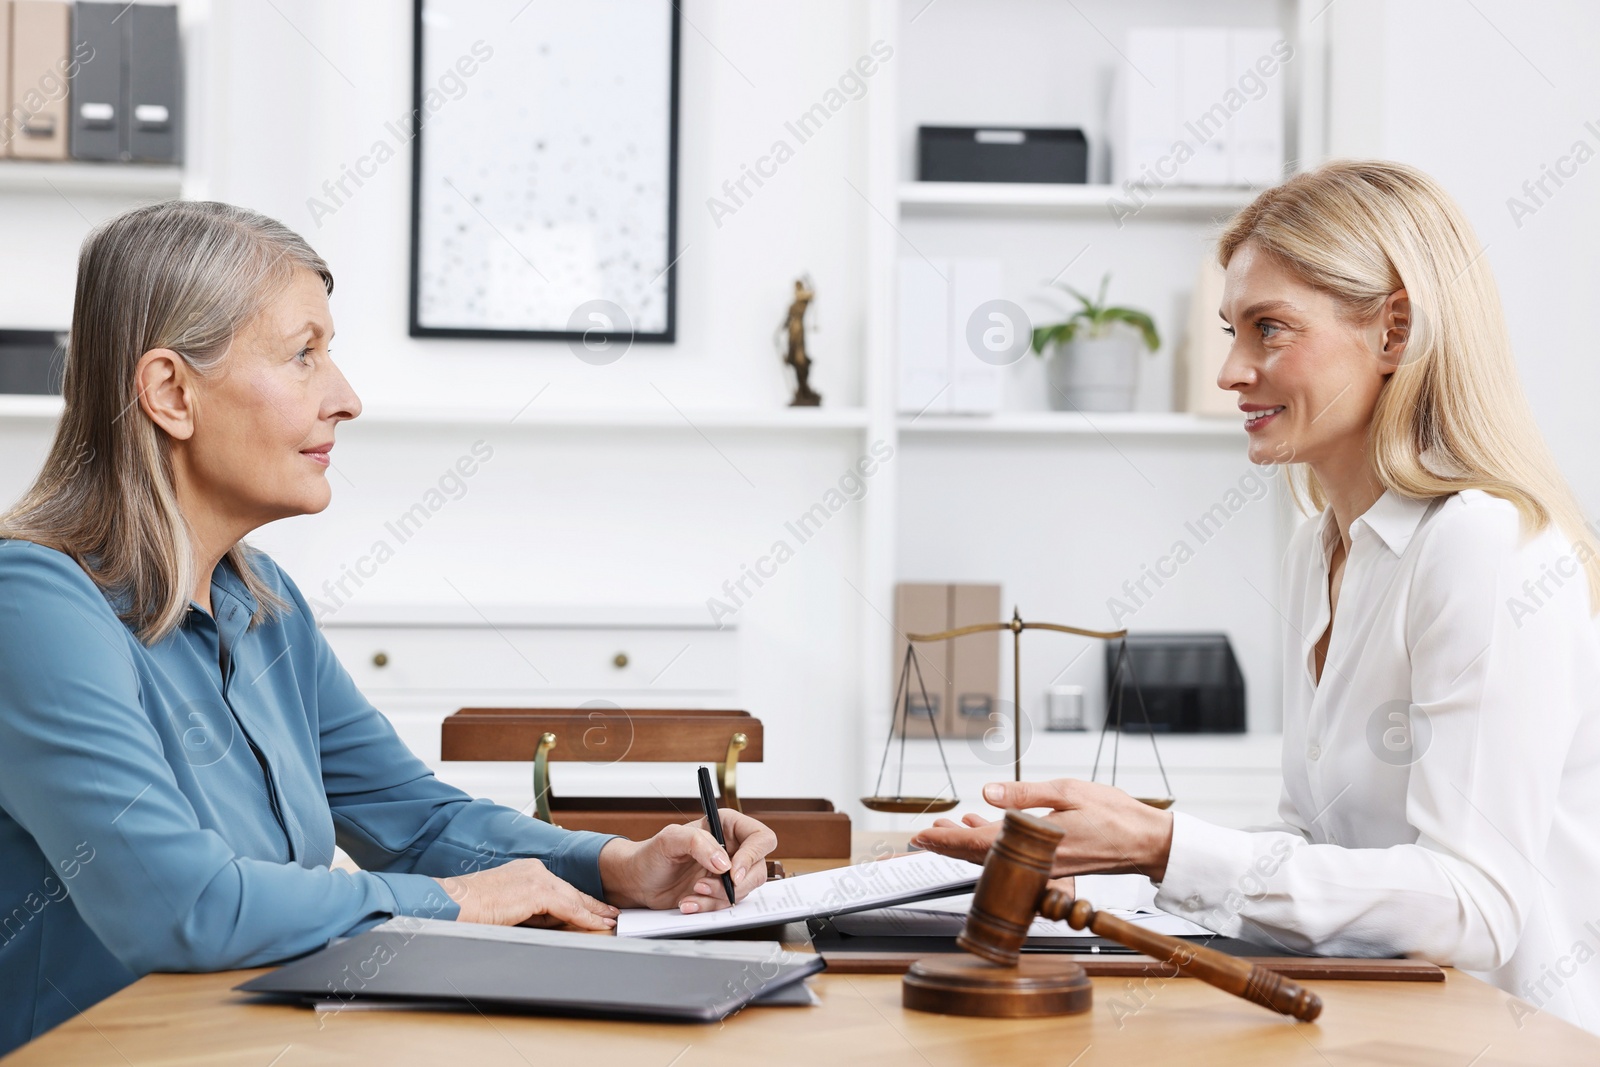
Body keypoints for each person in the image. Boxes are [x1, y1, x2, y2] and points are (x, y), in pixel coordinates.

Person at [0, 201, 778, 1055]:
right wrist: (450, 900)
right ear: (171, 393)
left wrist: (611, 864)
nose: (347, 398)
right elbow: (183, 906)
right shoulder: (34, 606)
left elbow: (416, 818)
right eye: (304, 354)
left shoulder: (262, 606)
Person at [913, 160, 1600, 1033]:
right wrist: (1102, 865)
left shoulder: (1482, 543)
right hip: (1377, 1024)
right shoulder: (1318, 547)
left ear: (1395, 332)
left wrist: (1162, 844)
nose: (1232, 372)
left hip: (1507, 1040)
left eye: (1268, 329)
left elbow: (1471, 906)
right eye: (1233, 329)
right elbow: (1320, 858)